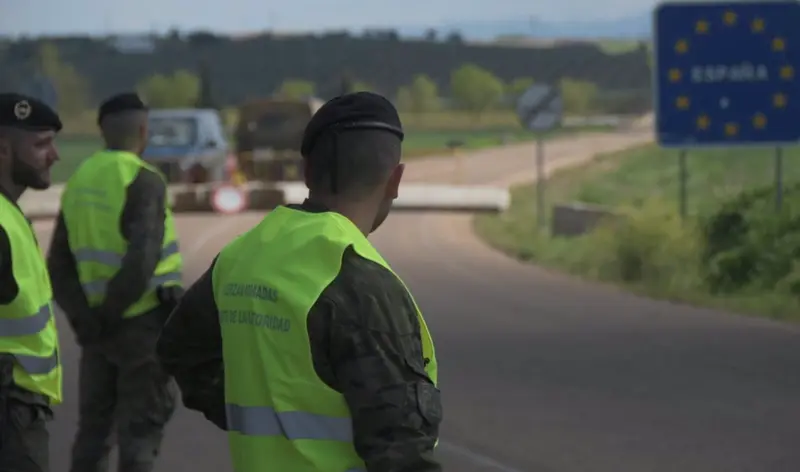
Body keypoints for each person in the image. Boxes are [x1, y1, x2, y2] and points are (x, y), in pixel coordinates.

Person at [157, 91, 443, 472]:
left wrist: (257, 416)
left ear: (306, 171)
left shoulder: (240, 257)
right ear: (395, 180)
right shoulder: (361, 281)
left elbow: (179, 348)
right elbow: (402, 454)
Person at [46, 93, 183, 472]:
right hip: (140, 325)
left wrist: (85, 320)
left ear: (102, 131)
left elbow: (58, 264)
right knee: (139, 438)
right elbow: (141, 259)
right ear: (144, 130)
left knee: (92, 436)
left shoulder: (78, 181)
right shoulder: (144, 179)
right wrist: (110, 314)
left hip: (95, 332)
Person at [0, 93, 63, 472]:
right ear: (3, 149)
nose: (54, 155)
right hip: (10, 413)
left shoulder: (9, 213)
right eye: (41, 144)